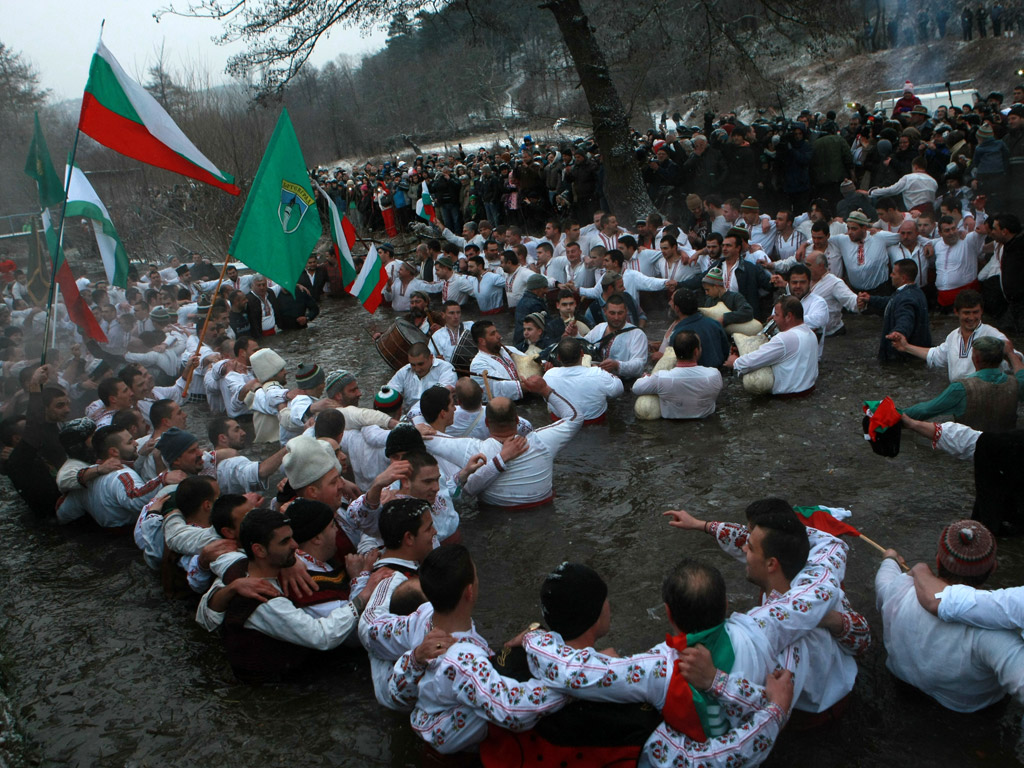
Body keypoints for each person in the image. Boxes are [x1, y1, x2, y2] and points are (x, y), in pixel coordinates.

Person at [387, 544, 569, 754]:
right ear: (470, 592)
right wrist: (566, 688)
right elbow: (510, 710)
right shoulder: (463, 658)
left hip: (427, 722)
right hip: (453, 750)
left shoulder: (422, 616)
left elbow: (396, 695)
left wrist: (415, 658)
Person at [197, 508, 376, 683]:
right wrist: (362, 597)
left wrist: (292, 562)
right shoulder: (264, 602)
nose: (295, 545)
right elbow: (323, 635)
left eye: (292, 537)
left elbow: (221, 564)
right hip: (272, 690)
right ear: (259, 550)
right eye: (284, 542)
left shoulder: (238, 565)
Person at [875, 520, 1024, 713]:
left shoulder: (901, 587)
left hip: (903, 685)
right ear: (993, 568)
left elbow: (883, 582)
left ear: (937, 560)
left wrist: (889, 559)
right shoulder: (999, 634)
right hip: (966, 713)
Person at [420, 378, 580, 509]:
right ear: (518, 420)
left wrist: (415, 428)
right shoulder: (543, 441)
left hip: (496, 518)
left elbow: (425, 439)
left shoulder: (475, 450)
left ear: (487, 422)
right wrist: (544, 389)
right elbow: (575, 417)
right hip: (545, 513)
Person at [902, 336, 1024, 432]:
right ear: (1001, 359)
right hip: (1008, 447)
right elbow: (1021, 374)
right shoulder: (1016, 384)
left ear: (975, 359)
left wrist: (893, 415)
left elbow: (924, 410)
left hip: (972, 449)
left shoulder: (961, 388)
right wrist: (1011, 354)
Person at [889, 289, 1016, 381]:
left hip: (984, 394)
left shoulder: (992, 335)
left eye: (975, 312)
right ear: (956, 312)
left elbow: (1016, 358)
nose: (971, 317)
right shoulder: (953, 336)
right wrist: (906, 347)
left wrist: (1009, 354)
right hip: (958, 394)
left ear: (981, 311)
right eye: (966, 313)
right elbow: (936, 355)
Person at [725, 296, 819, 396]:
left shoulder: (785, 338)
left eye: (777, 315)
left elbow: (755, 360)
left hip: (787, 399)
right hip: (809, 391)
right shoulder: (810, 333)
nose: (773, 318)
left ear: (788, 316)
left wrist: (735, 362)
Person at [634, 331, 723, 419]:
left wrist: (646, 377)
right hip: (706, 424)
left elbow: (636, 388)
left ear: (675, 352)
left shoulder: (662, 378)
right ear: (696, 351)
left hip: (671, 427)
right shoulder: (713, 375)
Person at [859, 259, 932, 362]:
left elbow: (905, 318)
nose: (891, 276)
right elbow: (892, 302)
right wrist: (871, 299)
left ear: (903, 278)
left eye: (893, 273)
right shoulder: (913, 292)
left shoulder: (906, 299)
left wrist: (899, 332)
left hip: (903, 359)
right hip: (915, 355)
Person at [542, 337, 623, 423]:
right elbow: (618, 390)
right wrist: (608, 374)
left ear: (558, 357)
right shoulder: (598, 374)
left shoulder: (549, 375)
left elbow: (546, 399)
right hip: (595, 427)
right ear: (582, 353)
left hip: (560, 427)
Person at [584, 294, 649, 379]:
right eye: (612, 313)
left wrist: (617, 365)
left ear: (626, 311)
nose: (616, 317)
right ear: (605, 311)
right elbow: (584, 346)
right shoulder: (599, 328)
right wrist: (575, 335)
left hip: (624, 384)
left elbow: (639, 365)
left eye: (620, 313)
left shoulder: (637, 334)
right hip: (597, 379)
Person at [384, 343, 456, 414]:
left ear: (431, 357)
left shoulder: (446, 369)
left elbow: (439, 395)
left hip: (437, 416)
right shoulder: (404, 372)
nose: (417, 369)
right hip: (409, 418)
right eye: (413, 365)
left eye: (420, 364)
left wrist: (413, 412)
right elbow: (388, 393)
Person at [468, 320, 524, 401]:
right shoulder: (478, 364)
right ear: (482, 341)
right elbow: (498, 388)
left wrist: (543, 364)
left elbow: (529, 361)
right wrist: (527, 386)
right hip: (502, 408)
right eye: (493, 334)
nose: (499, 336)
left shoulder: (508, 350)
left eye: (497, 332)